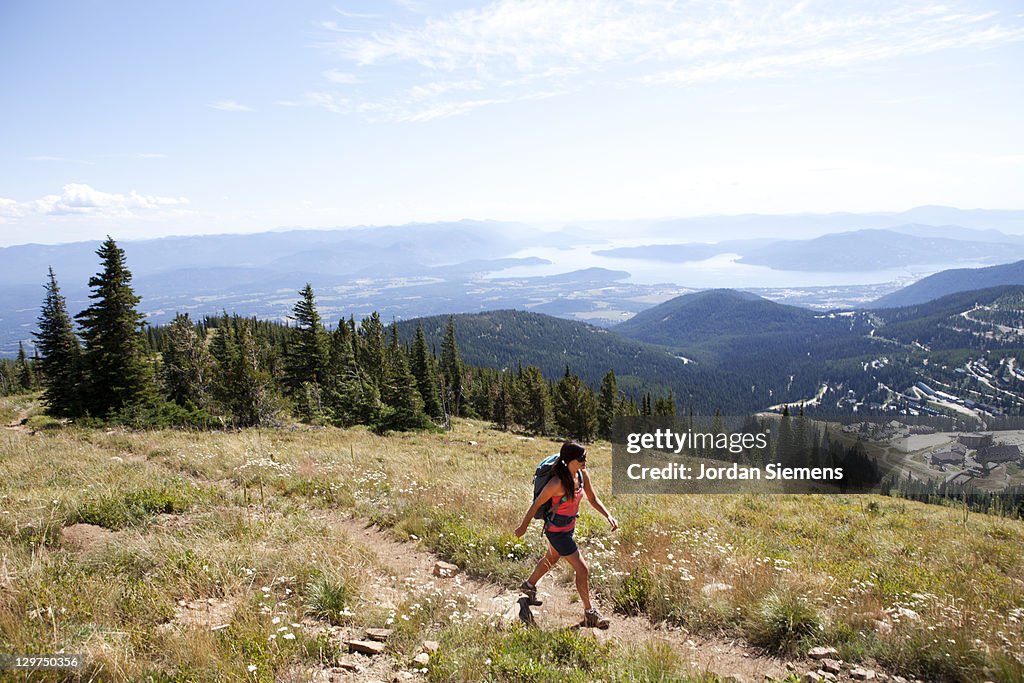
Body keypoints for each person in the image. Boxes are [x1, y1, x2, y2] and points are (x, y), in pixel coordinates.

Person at [514, 441, 619, 628]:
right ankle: (590, 613)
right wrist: (523, 527)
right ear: (570, 461)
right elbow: (536, 505)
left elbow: (593, 499)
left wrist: (608, 515)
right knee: (583, 569)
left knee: (552, 558)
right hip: (556, 532)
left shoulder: (581, 474)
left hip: (568, 527)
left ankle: (528, 586)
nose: (585, 461)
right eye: (582, 459)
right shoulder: (557, 483)